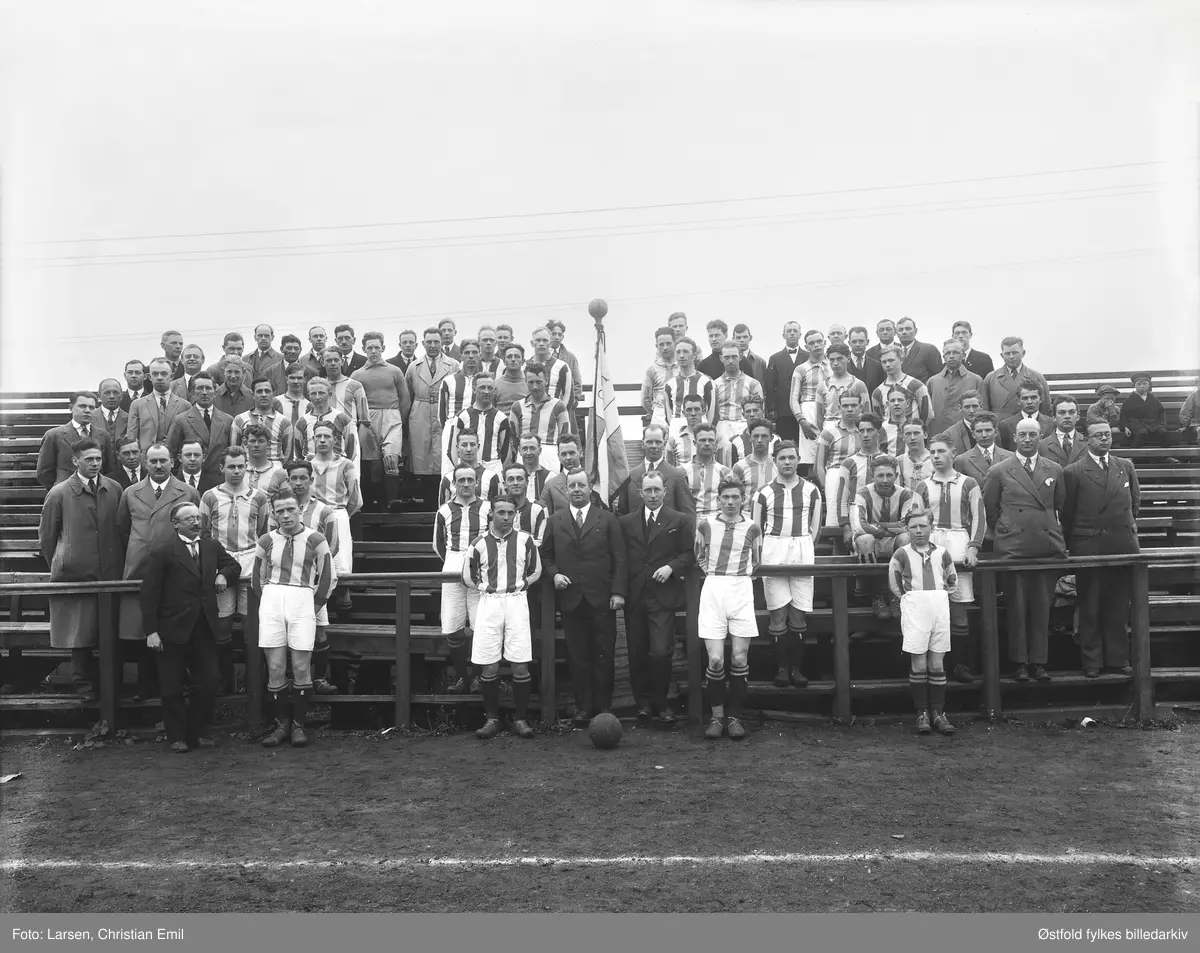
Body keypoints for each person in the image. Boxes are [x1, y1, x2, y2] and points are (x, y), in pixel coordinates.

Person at [141, 502, 241, 752]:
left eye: (198, 518)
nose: (196, 522)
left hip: (204, 627)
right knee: (171, 685)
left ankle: (200, 732)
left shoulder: (210, 546)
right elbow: (149, 593)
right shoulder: (162, 550)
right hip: (171, 628)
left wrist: (223, 575)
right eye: (190, 519)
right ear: (175, 524)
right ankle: (177, 736)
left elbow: (234, 565)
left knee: (209, 680)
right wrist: (151, 630)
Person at [38, 438, 125, 703]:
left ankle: (113, 687)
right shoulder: (59, 493)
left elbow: (121, 530)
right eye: (89, 459)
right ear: (75, 460)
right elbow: (47, 537)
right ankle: (84, 687)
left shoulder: (114, 488)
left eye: (98, 459)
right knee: (80, 634)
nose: (95, 463)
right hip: (76, 575)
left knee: (110, 633)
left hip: (109, 573)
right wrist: (65, 560)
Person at [540, 467, 627, 725]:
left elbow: (620, 558)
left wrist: (618, 591)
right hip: (571, 599)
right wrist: (554, 574)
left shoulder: (607, 519)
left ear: (590, 488)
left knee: (603, 654)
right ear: (566, 491)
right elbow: (546, 554)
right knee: (578, 656)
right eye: (572, 486)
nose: (576, 490)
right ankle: (583, 707)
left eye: (581, 485)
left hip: (602, 599)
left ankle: (603, 707)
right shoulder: (556, 520)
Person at [982, 417, 1066, 681]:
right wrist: (1008, 530)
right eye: (1023, 435)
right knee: (1016, 607)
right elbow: (990, 509)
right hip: (1013, 548)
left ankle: (1039, 662)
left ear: (1040, 437)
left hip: (1044, 546)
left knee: (1042, 607)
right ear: (1014, 438)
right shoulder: (999, 470)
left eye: (1033, 435)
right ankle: (1020, 662)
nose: (1028, 439)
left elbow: (1060, 505)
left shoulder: (1054, 469)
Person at [117, 442, 201, 699]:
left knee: (173, 628)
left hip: (176, 569)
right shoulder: (131, 492)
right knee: (144, 628)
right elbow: (122, 529)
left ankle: (178, 685)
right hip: (141, 569)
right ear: (144, 462)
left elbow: (198, 528)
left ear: (172, 462)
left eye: (163, 460)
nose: (158, 465)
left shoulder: (187, 492)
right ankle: (145, 686)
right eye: (153, 461)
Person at [254, 488, 335, 749]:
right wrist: (268, 598)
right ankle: (281, 725)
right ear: (274, 514)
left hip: (303, 599)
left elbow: (327, 576)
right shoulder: (266, 540)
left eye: (290, 509)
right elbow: (257, 577)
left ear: (300, 509)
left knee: (301, 666)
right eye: (280, 511)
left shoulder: (316, 538)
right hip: (273, 598)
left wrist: (315, 604)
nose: (286, 515)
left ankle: (300, 725)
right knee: (276, 667)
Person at [1061, 419, 1140, 677]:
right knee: (1091, 605)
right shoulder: (1073, 471)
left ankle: (1118, 660)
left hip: (1122, 544)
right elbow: (1068, 511)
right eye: (1098, 436)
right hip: (1089, 545)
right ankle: (1092, 662)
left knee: (1119, 605)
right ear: (1087, 440)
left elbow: (1135, 504)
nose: (1104, 439)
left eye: (1107, 435)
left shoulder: (1125, 466)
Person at [463, 494, 543, 739]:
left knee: (520, 662)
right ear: (492, 514)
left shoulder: (526, 540)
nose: (506, 517)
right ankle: (492, 719)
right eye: (501, 512)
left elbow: (536, 570)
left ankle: (520, 719)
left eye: (511, 513)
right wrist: (485, 589)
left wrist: (520, 585)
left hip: (517, 602)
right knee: (489, 663)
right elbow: (468, 576)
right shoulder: (478, 543)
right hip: (489, 603)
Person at [619, 470, 693, 724]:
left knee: (661, 651)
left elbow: (688, 554)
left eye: (657, 490)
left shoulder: (679, 520)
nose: (652, 495)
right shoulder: (626, 522)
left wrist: (671, 567)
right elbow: (621, 559)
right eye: (648, 490)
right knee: (637, 651)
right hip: (635, 595)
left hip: (663, 596)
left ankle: (661, 704)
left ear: (665, 492)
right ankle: (642, 704)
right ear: (640, 493)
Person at [696, 475, 762, 740]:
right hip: (713, 589)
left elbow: (756, 560)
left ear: (743, 499)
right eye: (726, 497)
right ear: (719, 499)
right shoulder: (706, 525)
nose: (731, 502)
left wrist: (737, 577)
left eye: (736, 497)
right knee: (715, 659)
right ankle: (716, 716)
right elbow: (699, 555)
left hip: (741, 590)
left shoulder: (753, 528)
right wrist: (716, 574)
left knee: (739, 657)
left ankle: (734, 717)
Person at [200, 446, 271, 693]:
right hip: (222, 569)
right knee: (222, 626)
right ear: (222, 468)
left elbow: (262, 531)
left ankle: (254, 682)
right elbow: (204, 533)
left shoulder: (259, 497)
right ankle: (225, 681)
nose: (237, 471)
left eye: (241, 466)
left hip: (250, 567)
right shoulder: (209, 496)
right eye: (231, 466)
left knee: (252, 626)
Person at [754, 442, 821, 689]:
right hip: (774, 549)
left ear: (798, 459)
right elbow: (756, 528)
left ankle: (797, 669)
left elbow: (816, 527)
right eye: (782, 458)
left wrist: (803, 546)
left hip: (802, 548)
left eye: (792, 457)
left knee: (798, 611)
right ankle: (782, 668)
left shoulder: (812, 490)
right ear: (775, 460)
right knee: (778, 611)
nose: (787, 462)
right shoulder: (763, 493)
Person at [919, 437, 985, 683]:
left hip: (959, 540)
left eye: (941, 451)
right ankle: (933, 666)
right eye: (932, 452)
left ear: (953, 453)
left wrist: (973, 548)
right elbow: (917, 520)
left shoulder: (969, 483)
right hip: (932, 543)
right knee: (932, 606)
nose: (936, 456)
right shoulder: (923, 486)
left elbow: (979, 517)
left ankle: (960, 665)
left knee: (959, 607)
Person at [888, 508, 959, 735]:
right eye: (913, 527)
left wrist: (938, 595)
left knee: (937, 663)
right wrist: (911, 599)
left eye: (923, 526)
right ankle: (922, 714)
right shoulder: (901, 553)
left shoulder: (942, 553)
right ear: (907, 530)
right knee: (918, 662)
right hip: (915, 605)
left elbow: (952, 579)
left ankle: (939, 713)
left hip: (939, 605)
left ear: (931, 527)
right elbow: (895, 583)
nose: (918, 531)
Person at [278, 461, 343, 695]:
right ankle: (290, 679)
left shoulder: (325, 511)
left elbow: (332, 546)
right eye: (293, 478)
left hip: (313, 580)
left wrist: (313, 570)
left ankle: (320, 679)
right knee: (286, 630)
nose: (297, 483)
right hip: (286, 580)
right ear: (287, 480)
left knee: (319, 629)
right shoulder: (280, 509)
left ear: (311, 480)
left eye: (302, 478)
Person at [435, 465, 492, 695]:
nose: (466, 484)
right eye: (461, 480)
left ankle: (478, 677)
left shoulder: (487, 508)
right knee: (453, 625)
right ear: (454, 484)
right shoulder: (443, 511)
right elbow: (438, 544)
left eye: (470, 479)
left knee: (481, 624)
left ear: (476, 482)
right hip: (452, 565)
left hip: (481, 567)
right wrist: (454, 561)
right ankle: (461, 677)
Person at [850, 455, 919, 619]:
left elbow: (906, 524)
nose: (885, 480)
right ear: (872, 475)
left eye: (889, 475)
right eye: (880, 475)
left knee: (906, 539)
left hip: (893, 540)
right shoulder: (863, 493)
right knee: (866, 538)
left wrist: (881, 528)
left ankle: (896, 595)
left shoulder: (905, 494)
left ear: (896, 475)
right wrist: (887, 529)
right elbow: (859, 525)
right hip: (870, 542)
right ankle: (876, 596)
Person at [352, 331, 412, 512]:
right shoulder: (357, 375)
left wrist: (398, 420)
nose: (373, 351)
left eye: (377, 347)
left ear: (383, 348)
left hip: (392, 417)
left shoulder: (394, 371)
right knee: (373, 463)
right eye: (369, 348)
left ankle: (392, 501)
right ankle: (374, 503)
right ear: (363, 349)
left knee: (391, 458)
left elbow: (405, 398)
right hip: (368, 419)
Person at [309, 420, 362, 611]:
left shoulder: (345, 464)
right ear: (313, 439)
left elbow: (356, 499)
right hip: (312, 514)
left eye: (327, 436)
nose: (322, 440)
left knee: (340, 560)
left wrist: (340, 514)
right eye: (318, 437)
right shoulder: (307, 465)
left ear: (335, 439)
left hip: (338, 513)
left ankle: (344, 601)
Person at [405, 327, 459, 503]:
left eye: (436, 341)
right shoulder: (414, 366)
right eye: (429, 342)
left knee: (442, 455)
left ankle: (444, 500)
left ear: (442, 342)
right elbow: (408, 395)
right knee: (422, 458)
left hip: (443, 411)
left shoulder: (453, 365)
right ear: (423, 343)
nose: (433, 345)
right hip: (420, 412)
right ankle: (426, 502)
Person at [952, 411, 1012, 552]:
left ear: (996, 432)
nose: (984, 434)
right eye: (979, 431)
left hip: (1005, 523)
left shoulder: (1010, 458)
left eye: (988, 430)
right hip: (976, 524)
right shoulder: (962, 460)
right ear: (973, 434)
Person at [614, 424, 694, 517]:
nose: (654, 446)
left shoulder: (677, 476)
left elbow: (688, 514)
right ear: (642, 444)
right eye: (649, 442)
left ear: (664, 444)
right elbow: (623, 513)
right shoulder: (630, 477)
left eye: (658, 442)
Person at [38, 391, 114, 487]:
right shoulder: (54, 435)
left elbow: (109, 469)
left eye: (91, 407)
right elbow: (44, 472)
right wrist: (58, 492)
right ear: (71, 408)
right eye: (82, 406)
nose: (87, 410)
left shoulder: (103, 436)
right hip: (66, 494)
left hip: (96, 492)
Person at [450, 374, 513, 481]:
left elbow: (506, 452)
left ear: (494, 391)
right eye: (482, 387)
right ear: (474, 390)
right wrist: (459, 469)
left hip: (493, 467)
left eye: (490, 388)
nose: (486, 391)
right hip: (467, 469)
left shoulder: (501, 418)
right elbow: (452, 449)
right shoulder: (462, 417)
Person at [510, 363, 571, 473]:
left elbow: (565, 437)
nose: (535, 386)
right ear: (526, 382)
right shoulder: (517, 406)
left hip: (550, 454)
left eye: (539, 382)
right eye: (531, 382)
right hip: (525, 453)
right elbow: (513, 438)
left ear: (546, 381)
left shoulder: (558, 406)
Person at [836, 412, 886, 546]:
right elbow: (842, 498)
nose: (865, 435)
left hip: (885, 522)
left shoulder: (889, 461)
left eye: (869, 430)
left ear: (878, 432)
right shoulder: (848, 463)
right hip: (858, 522)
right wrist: (846, 528)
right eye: (861, 431)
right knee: (865, 543)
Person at [126, 358, 190, 454]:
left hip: (174, 460)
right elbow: (131, 438)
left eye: (164, 374)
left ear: (171, 376)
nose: (159, 377)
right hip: (146, 461)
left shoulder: (184, 405)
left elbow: (188, 439)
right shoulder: (137, 405)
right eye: (155, 374)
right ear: (149, 377)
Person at [321, 347, 370, 471]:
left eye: (336, 360)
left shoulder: (355, 385)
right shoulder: (319, 386)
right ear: (322, 362)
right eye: (329, 360)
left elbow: (364, 420)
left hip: (348, 436)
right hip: (324, 437)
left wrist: (358, 445)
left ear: (342, 361)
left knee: (352, 477)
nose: (333, 363)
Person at [789, 329, 831, 473]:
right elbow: (794, 398)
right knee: (812, 456)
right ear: (806, 347)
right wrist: (801, 420)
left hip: (830, 409)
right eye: (812, 343)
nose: (816, 345)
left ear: (825, 343)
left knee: (832, 450)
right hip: (809, 411)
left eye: (819, 341)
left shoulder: (833, 365)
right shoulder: (801, 369)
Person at [981, 336, 1050, 418]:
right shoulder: (991, 378)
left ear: (1023, 353)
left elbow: (1045, 409)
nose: (1011, 357)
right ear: (1002, 356)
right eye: (1007, 353)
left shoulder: (1036, 377)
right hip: (1000, 425)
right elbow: (984, 409)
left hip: (1029, 425)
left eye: (1015, 353)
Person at [928, 339, 984, 437]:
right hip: (938, 435)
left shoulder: (976, 380)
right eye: (948, 353)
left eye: (956, 352)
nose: (952, 356)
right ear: (944, 357)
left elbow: (983, 413)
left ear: (963, 356)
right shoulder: (932, 382)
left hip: (967, 435)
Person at [764, 321, 808, 443]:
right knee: (785, 444)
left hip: (805, 411)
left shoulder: (808, 357)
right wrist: (772, 408)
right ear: (783, 335)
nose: (792, 334)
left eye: (795, 331)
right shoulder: (775, 358)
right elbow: (770, 385)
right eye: (789, 331)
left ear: (800, 334)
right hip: (783, 410)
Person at [231, 378, 294, 464]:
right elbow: (234, 451)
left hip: (274, 472)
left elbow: (288, 455)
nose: (264, 395)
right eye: (259, 391)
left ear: (273, 394)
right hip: (247, 471)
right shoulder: (240, 420)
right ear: (253, 395)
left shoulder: (284, 422)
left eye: (267, 391)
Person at [294, 377, 358, 461]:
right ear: (308, 395)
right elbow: (298, 452)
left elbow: (351, 449)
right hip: (310, 469)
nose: (317, 397)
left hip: (336, 468)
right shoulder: (302, 422)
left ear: (330, 394)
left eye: (321, 393)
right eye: (313, 393)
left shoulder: (342, 419)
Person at [663, 336, 714, 440]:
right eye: (678, 352)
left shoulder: (706, 382)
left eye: (685, 351)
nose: (681, 356)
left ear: (694, 355)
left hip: (700, 425)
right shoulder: (669, 384)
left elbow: (711, 411)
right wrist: (674, 424)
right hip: (677, 426)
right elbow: (668, 412)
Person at [871, 346, 933, 427]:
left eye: (891, 360)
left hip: (911, 436)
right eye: (884, 362)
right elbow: (877, 420)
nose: (888, 365)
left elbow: (928, 414)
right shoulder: (877, 392)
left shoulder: (916, 385)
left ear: (901, 360)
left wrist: (917, 431)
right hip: (889, 437)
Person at [439, 429, 502, 506]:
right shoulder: (448, 479)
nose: (469, 449)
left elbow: (497, 510)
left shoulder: (491, 477)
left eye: (472, 444)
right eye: (464, 445)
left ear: (478, 446)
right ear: (457, 448)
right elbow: (443, 511)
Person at [666, 393, 731, 467]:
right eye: (689, 410)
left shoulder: (717, 439)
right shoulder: (674, 441)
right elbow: (669, 472)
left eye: (696, 409)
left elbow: (724, 469)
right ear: (684, 413)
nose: (693, 413)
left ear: (703, 411)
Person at [685, 423, 734, 518]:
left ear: (715, 443)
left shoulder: (725, 472)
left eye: (711, 440)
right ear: (694, 443)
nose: (707, 443)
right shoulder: (682, 471)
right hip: (690, 521)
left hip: (718, 522)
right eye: (702, 440)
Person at [815, 344, 870, 428]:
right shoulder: (822, 386)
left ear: (848, 358)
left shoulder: (858, 384)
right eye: (832, 360)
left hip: (852, 428)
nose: (835, 363)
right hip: (830, 429)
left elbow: (867, 413)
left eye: (839, 359)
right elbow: (819, 416)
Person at [732, 417, 779, 513]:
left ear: (771, 438)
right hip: (747, 517)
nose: (760, 440)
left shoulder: (777, 465)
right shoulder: (740, 467)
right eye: (756, 436)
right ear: (750, 438)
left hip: (772, 516)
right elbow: (732, 495)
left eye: (764, 436)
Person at [998, 380, 1055, 450]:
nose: (1029, 402)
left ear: (1041, 399)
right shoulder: (1005, 425)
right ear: (1018, 401)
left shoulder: (1052, 424)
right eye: (1025, 398)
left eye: (1033, 398)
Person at [641, 327, 679, 428]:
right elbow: (645, 398)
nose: (665, 347)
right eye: (661, 344)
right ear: (656, 346)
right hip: (660, 413)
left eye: (668, 343)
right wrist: (657, 411)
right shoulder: (652, 370)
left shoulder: (682, 366)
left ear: (675, 343)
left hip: (680, 411)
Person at [438, 338, 481, 426]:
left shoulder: (486, 381)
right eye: (467, 353)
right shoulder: (448, 381)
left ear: (480, 355)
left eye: (474, 352)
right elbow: (442, 413)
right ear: (461, 356)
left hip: (478, 429)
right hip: (454, 429)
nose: (471, 356)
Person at [1120, 373, 1170, 447]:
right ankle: (1133, 455)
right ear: (1134, 385)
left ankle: (1166, 456)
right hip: (1136, 424)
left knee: (1163, 432)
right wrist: (1125, 427)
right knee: (1142, 433)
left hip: (1153, 423)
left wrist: (1162, 424)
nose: (1142, 386)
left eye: (1145, 384)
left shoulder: (1153, 399)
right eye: (1139, 384)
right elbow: (1123, 415)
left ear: (1149, 385)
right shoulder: (1129, 400)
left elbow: (1161, 413)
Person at [1040, 395, 1088, 468]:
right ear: (1054, 417)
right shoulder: (1041, 446)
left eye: (1071, 412)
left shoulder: (1087, 444)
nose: (1067, 416)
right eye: (1062, 412)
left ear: (1078, 417)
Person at [529, 327, 573, 405]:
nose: (541, 344)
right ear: (532, 343)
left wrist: (559, 414)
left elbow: (568, 397)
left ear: (550, 343)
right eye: (538, 340)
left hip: (553, 415)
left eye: (545, 340)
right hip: (528, 414)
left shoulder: (562, 367)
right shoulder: (525, 366)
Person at [242, 424, 288, 495]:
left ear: (268, 444)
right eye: (252, 441)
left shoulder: (278, 473)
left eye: (261, 441)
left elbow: (285, 502)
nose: (256, 445)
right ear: (245, 443)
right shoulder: (239, 470)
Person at [893, 317, 943, 382]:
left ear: (915, 331)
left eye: (908, 329)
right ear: (896, 333)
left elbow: (938, 378)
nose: (904, 332)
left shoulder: (929, 350)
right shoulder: (893, 352)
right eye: (900, 330)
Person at [934, 390, 982, 455]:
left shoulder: (992, 431)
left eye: (975, 406)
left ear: (981, 407)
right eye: (967, 407)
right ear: (960, 408)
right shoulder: (949, 435)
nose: (971, 411)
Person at [846, 326, 886, 395]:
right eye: (854, 342)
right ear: (849, 343)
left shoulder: (877, 366)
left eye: (861, 341)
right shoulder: (843, 365)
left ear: (867, 342)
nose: (857, 345)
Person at [897, 420, 933, 492]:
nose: (912, 438)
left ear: (925, 434)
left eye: (916, 433)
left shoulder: (935, 460)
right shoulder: (899, 461)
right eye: (908, 434)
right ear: (903, 437)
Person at [271, 361, 310, 427]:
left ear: (305, 379)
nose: (296, 381)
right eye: (292, 378)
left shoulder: (309, 406)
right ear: (286, 379)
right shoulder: (275, 402)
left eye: (299, 378)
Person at [494, 343, 530, 413]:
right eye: (509, 356)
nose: (513, 359)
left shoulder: (530, 384)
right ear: (504, 361)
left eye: (517, 356)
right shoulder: (495, 385)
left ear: (523, 362)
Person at [518, 432, 553, 502]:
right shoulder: (514, 477)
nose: (528, 452)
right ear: (519, 451)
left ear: (540, 450)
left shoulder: (550, 477)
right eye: (524, 448)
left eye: (532, 448)